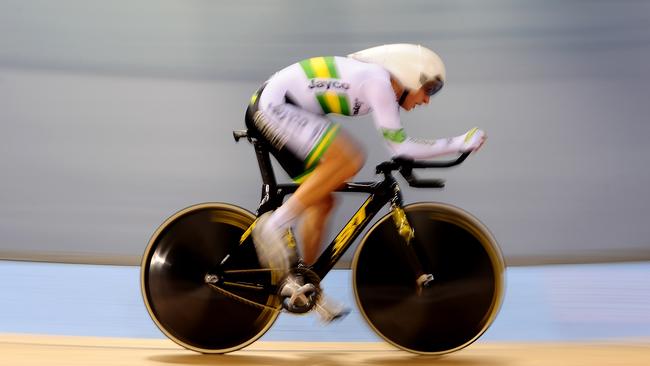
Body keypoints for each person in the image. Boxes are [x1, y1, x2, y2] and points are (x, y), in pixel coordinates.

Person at [245, 44, 486, 322]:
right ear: (409, 76)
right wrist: (458, 143)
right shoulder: (379, 82)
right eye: (429, 89)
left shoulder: (381, 83)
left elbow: (400, 146)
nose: (427, 100)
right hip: (273, 106)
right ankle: (274, 226)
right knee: (349, 159)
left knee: (322, 201)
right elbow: (401, 148)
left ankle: (303, 285)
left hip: (279, 107)